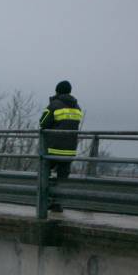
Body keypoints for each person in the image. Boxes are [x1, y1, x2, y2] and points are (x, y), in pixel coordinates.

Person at [39, 80, 83, 212]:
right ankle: (58, 205)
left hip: (53, 148)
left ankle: (44, 202)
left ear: (57, 91)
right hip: (69, 149)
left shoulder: (54, 105)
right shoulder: (77, 107)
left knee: (44, 174)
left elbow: (43, 122)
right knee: (62, 178)